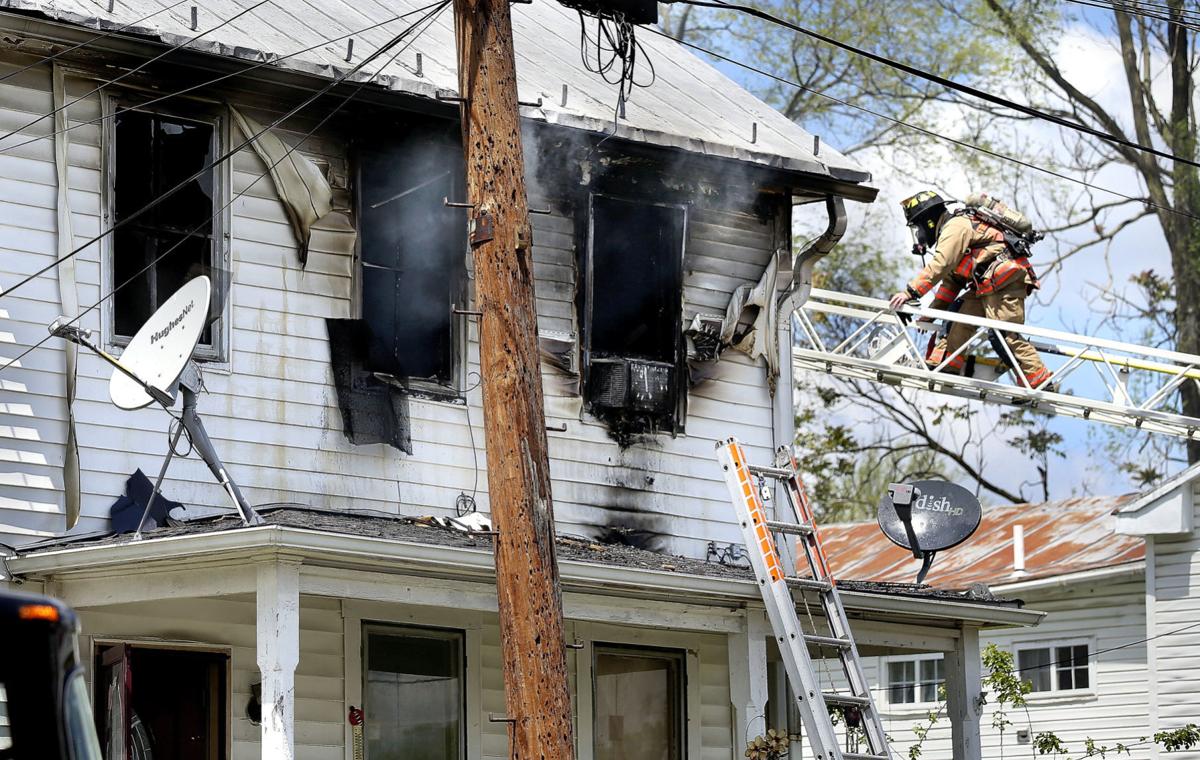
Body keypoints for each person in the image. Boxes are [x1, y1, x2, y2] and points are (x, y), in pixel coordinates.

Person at [888, 190, 1052, 389]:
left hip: (1006, 282)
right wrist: (928, 315)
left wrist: (909, 293)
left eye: (918, 226)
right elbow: (950, 285)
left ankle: (1039, 381)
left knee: (1003, 335)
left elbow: (941, 263)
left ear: (928, 220)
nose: (919, 233)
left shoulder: (955, 226)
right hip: (987, 286)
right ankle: (946, 366)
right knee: (957, 317)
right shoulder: (954, 229)